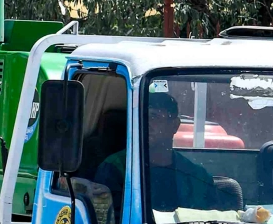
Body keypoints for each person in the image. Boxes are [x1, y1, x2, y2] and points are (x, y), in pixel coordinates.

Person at [94, 91, 227, 212]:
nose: (146, 123)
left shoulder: (197, 176)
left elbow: (213, 221)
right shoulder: (115, 168)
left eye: (154, 116)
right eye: (141, 117)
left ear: (175, 125)